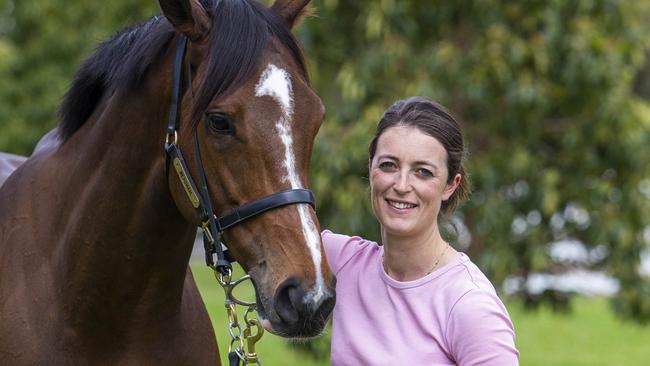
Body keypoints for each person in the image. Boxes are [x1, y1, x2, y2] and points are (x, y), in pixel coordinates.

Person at [322, 96, 519, 365]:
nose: (402, 185)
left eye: (423, 172)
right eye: (388, 165)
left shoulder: (468, 304)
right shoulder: (341, 261)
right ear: (370, 169)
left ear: (450, 184)